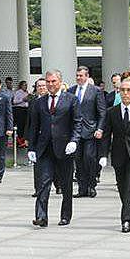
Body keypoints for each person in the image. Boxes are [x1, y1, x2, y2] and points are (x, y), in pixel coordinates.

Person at [96, 78, 130, 233]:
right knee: (122, 187)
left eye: (128, 90)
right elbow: (106, 135)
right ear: (119, 93)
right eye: (123, 90)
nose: (125, 93)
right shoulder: (112, 112)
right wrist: (103, 155)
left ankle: (126, 220)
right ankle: (129, 209)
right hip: (119, 155)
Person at [28, 70, 82, 227]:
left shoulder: (71, 100)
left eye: (53, 81)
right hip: (45, 149)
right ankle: (41, 216)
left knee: (66, 184)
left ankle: (65, 215)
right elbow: (34, 126)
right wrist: (31, 147)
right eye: (48, 81)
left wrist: (74, 141)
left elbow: (77, 122)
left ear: (60, 81)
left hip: (64, 148)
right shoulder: (39, 102)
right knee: (43, 184)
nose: (50, 84)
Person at [68, 66, 107, 198]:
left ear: (87, 76)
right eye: (77, 75)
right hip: (75, 132)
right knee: (78, 160)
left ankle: (91, 185)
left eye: (81, 75)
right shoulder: (71, 91)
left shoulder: (95, 91)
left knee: (89, 158)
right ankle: (82, 188)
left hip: (90, 130)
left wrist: (100, 128)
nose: (79, 78)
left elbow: (102, 112)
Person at [27, 78, 48, 198]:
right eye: (39, 86)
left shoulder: (52, 100)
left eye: (43, 85)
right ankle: (38, 188)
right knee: (37, 164)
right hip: (37, 137)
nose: (41, 88)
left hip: (50, 137)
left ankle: (58, 185)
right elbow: (30, 121)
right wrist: (27, 137)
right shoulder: (33, 102)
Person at [13, 80, 30, 147]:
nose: (25, 86)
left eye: (26, 85)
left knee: (25, 125)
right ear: (21, 86)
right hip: (20, 110)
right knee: (20, 126)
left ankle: (24, 141)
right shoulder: (18, 92)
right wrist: (23, 99)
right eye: (24, 85)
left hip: (26, 109)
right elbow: (14, 102)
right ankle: (19, 141)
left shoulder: (27, 92)